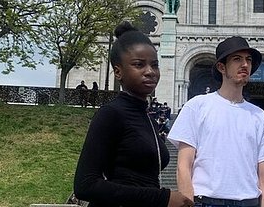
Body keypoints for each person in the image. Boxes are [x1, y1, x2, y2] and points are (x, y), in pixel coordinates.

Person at [73, 21, 193, 207]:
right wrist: (163, 197)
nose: (150, 72)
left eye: (155, 65)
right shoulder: (110, 114)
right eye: (139, 65)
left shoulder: (148, 118)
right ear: (118, 72)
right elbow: (85, 185)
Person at [167, 36, 264, 207]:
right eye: (237, 59)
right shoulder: (196, 106)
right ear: (221, 67)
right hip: (205, 201)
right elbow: (184, 166)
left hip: (248, 202)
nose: (245, 65)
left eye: (248, 60)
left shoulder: (259, 116)